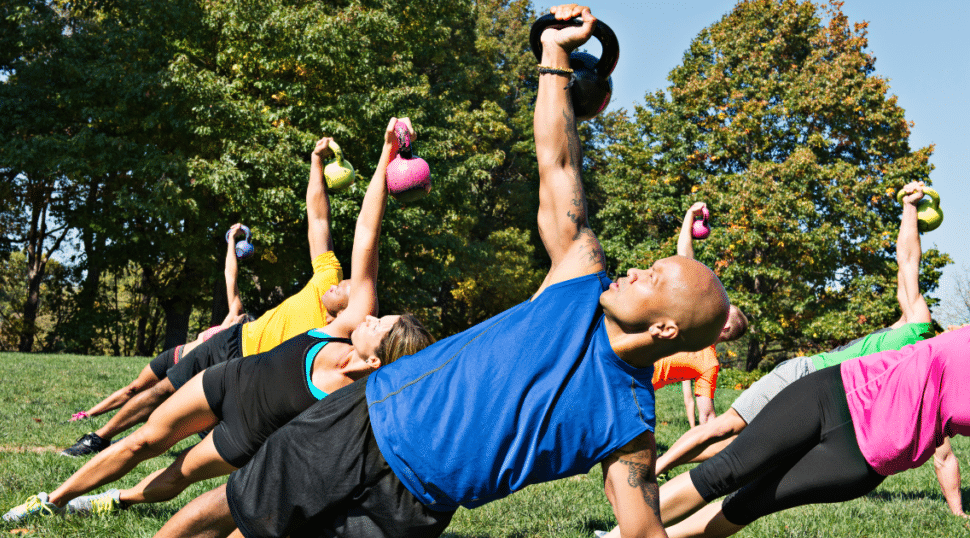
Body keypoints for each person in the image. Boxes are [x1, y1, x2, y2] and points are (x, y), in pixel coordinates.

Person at [152, 6, 730, 538]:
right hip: (369, 415)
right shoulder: (580, 282)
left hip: (417, 507)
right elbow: (559, 164)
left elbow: (644, 530)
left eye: (651, 279)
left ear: (665, 332)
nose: (633, 272)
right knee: (236, 511)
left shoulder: (628, 426)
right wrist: (554, 54)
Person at [2, 119, 434, 523]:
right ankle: (48, 502)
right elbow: (366, 235)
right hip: (229, 378)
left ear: (377, 361)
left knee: (179, 475)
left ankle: (112, 499)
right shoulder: (349, 320)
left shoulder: (361, 398)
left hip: (248, 432)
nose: (373, 319)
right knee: (143, 440)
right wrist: (386, 154)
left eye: (380, 327)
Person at [60, 137, 350, 457]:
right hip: (232, 341)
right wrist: (316, 163)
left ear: (352, 310)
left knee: (191, 422)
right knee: (161, 391)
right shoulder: (327, 279)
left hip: (252, 376)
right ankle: (99, 437)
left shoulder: (335, 345)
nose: (342, 282)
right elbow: (318, 218)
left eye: (349, 287)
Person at [651, 181, 939, 477]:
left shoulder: (911, 356)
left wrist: (910, 206)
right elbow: (907, 261)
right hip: (803, 375)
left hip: (820, 393)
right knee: (727, 428)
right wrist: (910, 207)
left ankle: (665, 466)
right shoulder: (915, 331)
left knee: (741, 441)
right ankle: (658, 466)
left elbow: (906, 263)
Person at [654, 324, 970, 538]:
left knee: (747, 504)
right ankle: (625, 528)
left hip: (865, 458)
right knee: (726, 467)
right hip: (833, 392)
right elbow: (908, 261)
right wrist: (910, 220)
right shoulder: (935, 333)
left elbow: (943, 453)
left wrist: (956, 510)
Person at [65, 223, 253, 426]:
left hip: (187, 375)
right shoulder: (233, 318)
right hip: (175, 356)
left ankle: (117, 433)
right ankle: (87, 415)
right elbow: (229, 275)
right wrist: (232, 240)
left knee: (155, 404)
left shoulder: (237, 347)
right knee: (134, 388)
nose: (240, 320)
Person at [663, 203, 748, 427]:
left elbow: (708, 417)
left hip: (633, 385)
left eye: (726, 310)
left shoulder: (708, 363)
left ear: (725, 328)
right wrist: (689, 215)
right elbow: (686, 262)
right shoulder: (694, 318)